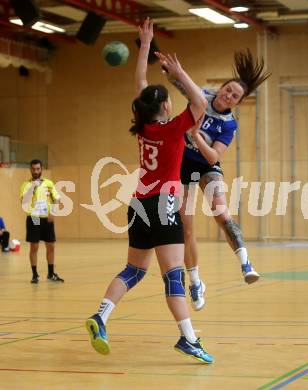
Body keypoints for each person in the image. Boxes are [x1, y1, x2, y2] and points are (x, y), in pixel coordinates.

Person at [85, 18, 214, 364]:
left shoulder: (143, 127)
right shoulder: (172, 129)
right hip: (163, 204)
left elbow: (141, 84)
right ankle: (189, 339)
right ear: (167, 107)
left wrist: (145, 47)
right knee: (173, 274)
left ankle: (101, 315)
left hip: (138, 203)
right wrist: (179, 71)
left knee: (134, 270)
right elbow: (200, 103)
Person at [171, 49, 270, 310]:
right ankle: (195, 282)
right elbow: (180, 82)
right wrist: (170, 68)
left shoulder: (229, 125)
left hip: (208, 165)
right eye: (228, 90)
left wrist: (196, 137)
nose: (228, 96)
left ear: (238, 102)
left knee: (222, 215)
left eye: (235, 96)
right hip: (183, 166)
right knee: (186, 228)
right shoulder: (202, 96)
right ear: (221, 88)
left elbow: (214, 155)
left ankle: (246, 263)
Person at [20, 159, 64, 284]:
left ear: (41, 169)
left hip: (46, 218)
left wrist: (53, 212)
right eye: (33, 169)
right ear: (30, 170)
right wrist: (32, 188)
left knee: (50, 245)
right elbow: (24, 202)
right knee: (34, 246)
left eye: (38, 169)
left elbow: (56, 199)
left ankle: (51, 274)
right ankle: (35, 274)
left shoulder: (49, 183)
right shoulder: (26, 185)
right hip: (34, 217)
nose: (36, 171)